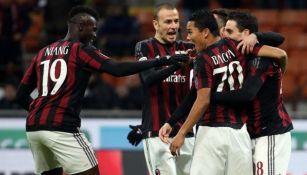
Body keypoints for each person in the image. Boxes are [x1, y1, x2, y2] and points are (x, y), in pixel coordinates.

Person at [15, 5, 189, 175]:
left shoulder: (43, 52)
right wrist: (161, 61)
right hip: (62, 126)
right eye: (93, 29)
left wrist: (39, 113)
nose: (95, 35)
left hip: (34, 128)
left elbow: (21, 95)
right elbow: (117, 69)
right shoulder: (81, 50)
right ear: (81, 26)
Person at [160, 9, 287, 175]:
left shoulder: (202, 58)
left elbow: (201, 98)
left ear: (206, 32)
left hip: (211, 132)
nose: (188, 38)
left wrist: (181, 132)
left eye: (190, 32)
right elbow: (279, 53)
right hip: (240, 133)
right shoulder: (237, 46)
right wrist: (171, 121)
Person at [211, 11, 293, 175]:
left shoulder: (261, 57)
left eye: (229, 31)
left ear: (246, 34)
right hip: (251, 134)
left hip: (270, 133)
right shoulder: (238, 58)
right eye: (224, 30)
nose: (224, 34)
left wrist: (207, 97)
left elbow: (246, 95)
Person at [127, 3, 195, 175]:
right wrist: (175, 63)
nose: (173, 26)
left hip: (185, 132)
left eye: (176, 21)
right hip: (156, 133)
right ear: (156, 24)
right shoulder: (144, 47)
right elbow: (148, 79)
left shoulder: (188, 48)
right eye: (168, 22)